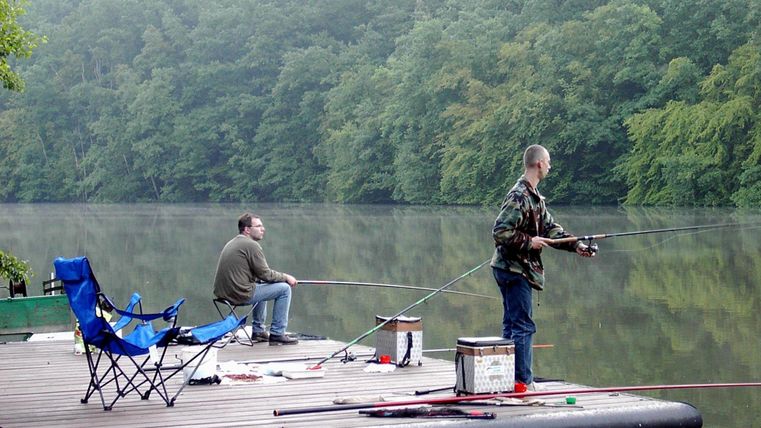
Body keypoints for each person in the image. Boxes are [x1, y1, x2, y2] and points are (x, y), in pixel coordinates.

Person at [491, 144, 594, 390]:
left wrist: (576, 245)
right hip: (514, 270)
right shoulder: (519, 196)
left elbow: (550, 229)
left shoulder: (535, 197)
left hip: (514, 268)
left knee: (513, 324)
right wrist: (529, 241)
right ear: (539, 164)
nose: (550, 166)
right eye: (548, 162)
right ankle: (523, 382)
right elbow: (500, 231)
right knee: (523, 326)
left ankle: (510, 378)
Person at [213, 213, 299, 345]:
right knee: (285, 289)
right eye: (258, 226)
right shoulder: (251, 245)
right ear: (247, 229)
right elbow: (266, 274)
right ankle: (277, 333)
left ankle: (258, 331)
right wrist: (286, 277)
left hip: (223, 293)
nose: (263, 229)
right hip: (239, 294)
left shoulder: (234, 242)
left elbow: (262, 277)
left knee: (262, 283)